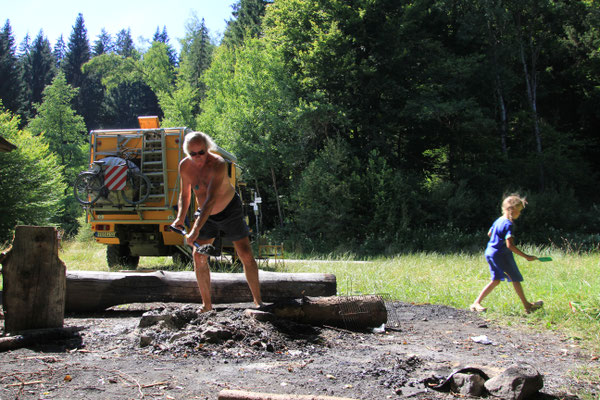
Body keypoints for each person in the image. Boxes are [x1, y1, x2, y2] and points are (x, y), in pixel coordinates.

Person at [171, 131, 263, 312]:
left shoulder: (219, 164)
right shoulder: (185, 167)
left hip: (229, 210)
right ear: (187, 153)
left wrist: (194, 230)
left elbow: (210, 200)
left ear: (208, 149)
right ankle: (207, 305)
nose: (197, 157)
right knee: (198, 257)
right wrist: (180, 218)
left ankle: (258, 302)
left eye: (201, 152)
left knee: (245, 254)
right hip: (205, 215)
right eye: (192, 153)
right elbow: (185, 195)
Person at [470, 194, 543, 314]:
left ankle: (476, 303)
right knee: (515, 278)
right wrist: (527, 256)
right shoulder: (508, 224)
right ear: (512, 210)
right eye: (519, 211)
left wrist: (497, 240)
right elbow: (510, 245)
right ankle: (527, 306)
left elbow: (489, 233)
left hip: (490, 252)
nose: (519, 214)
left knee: (496, 280)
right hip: (501, 255)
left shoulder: (499, 220)